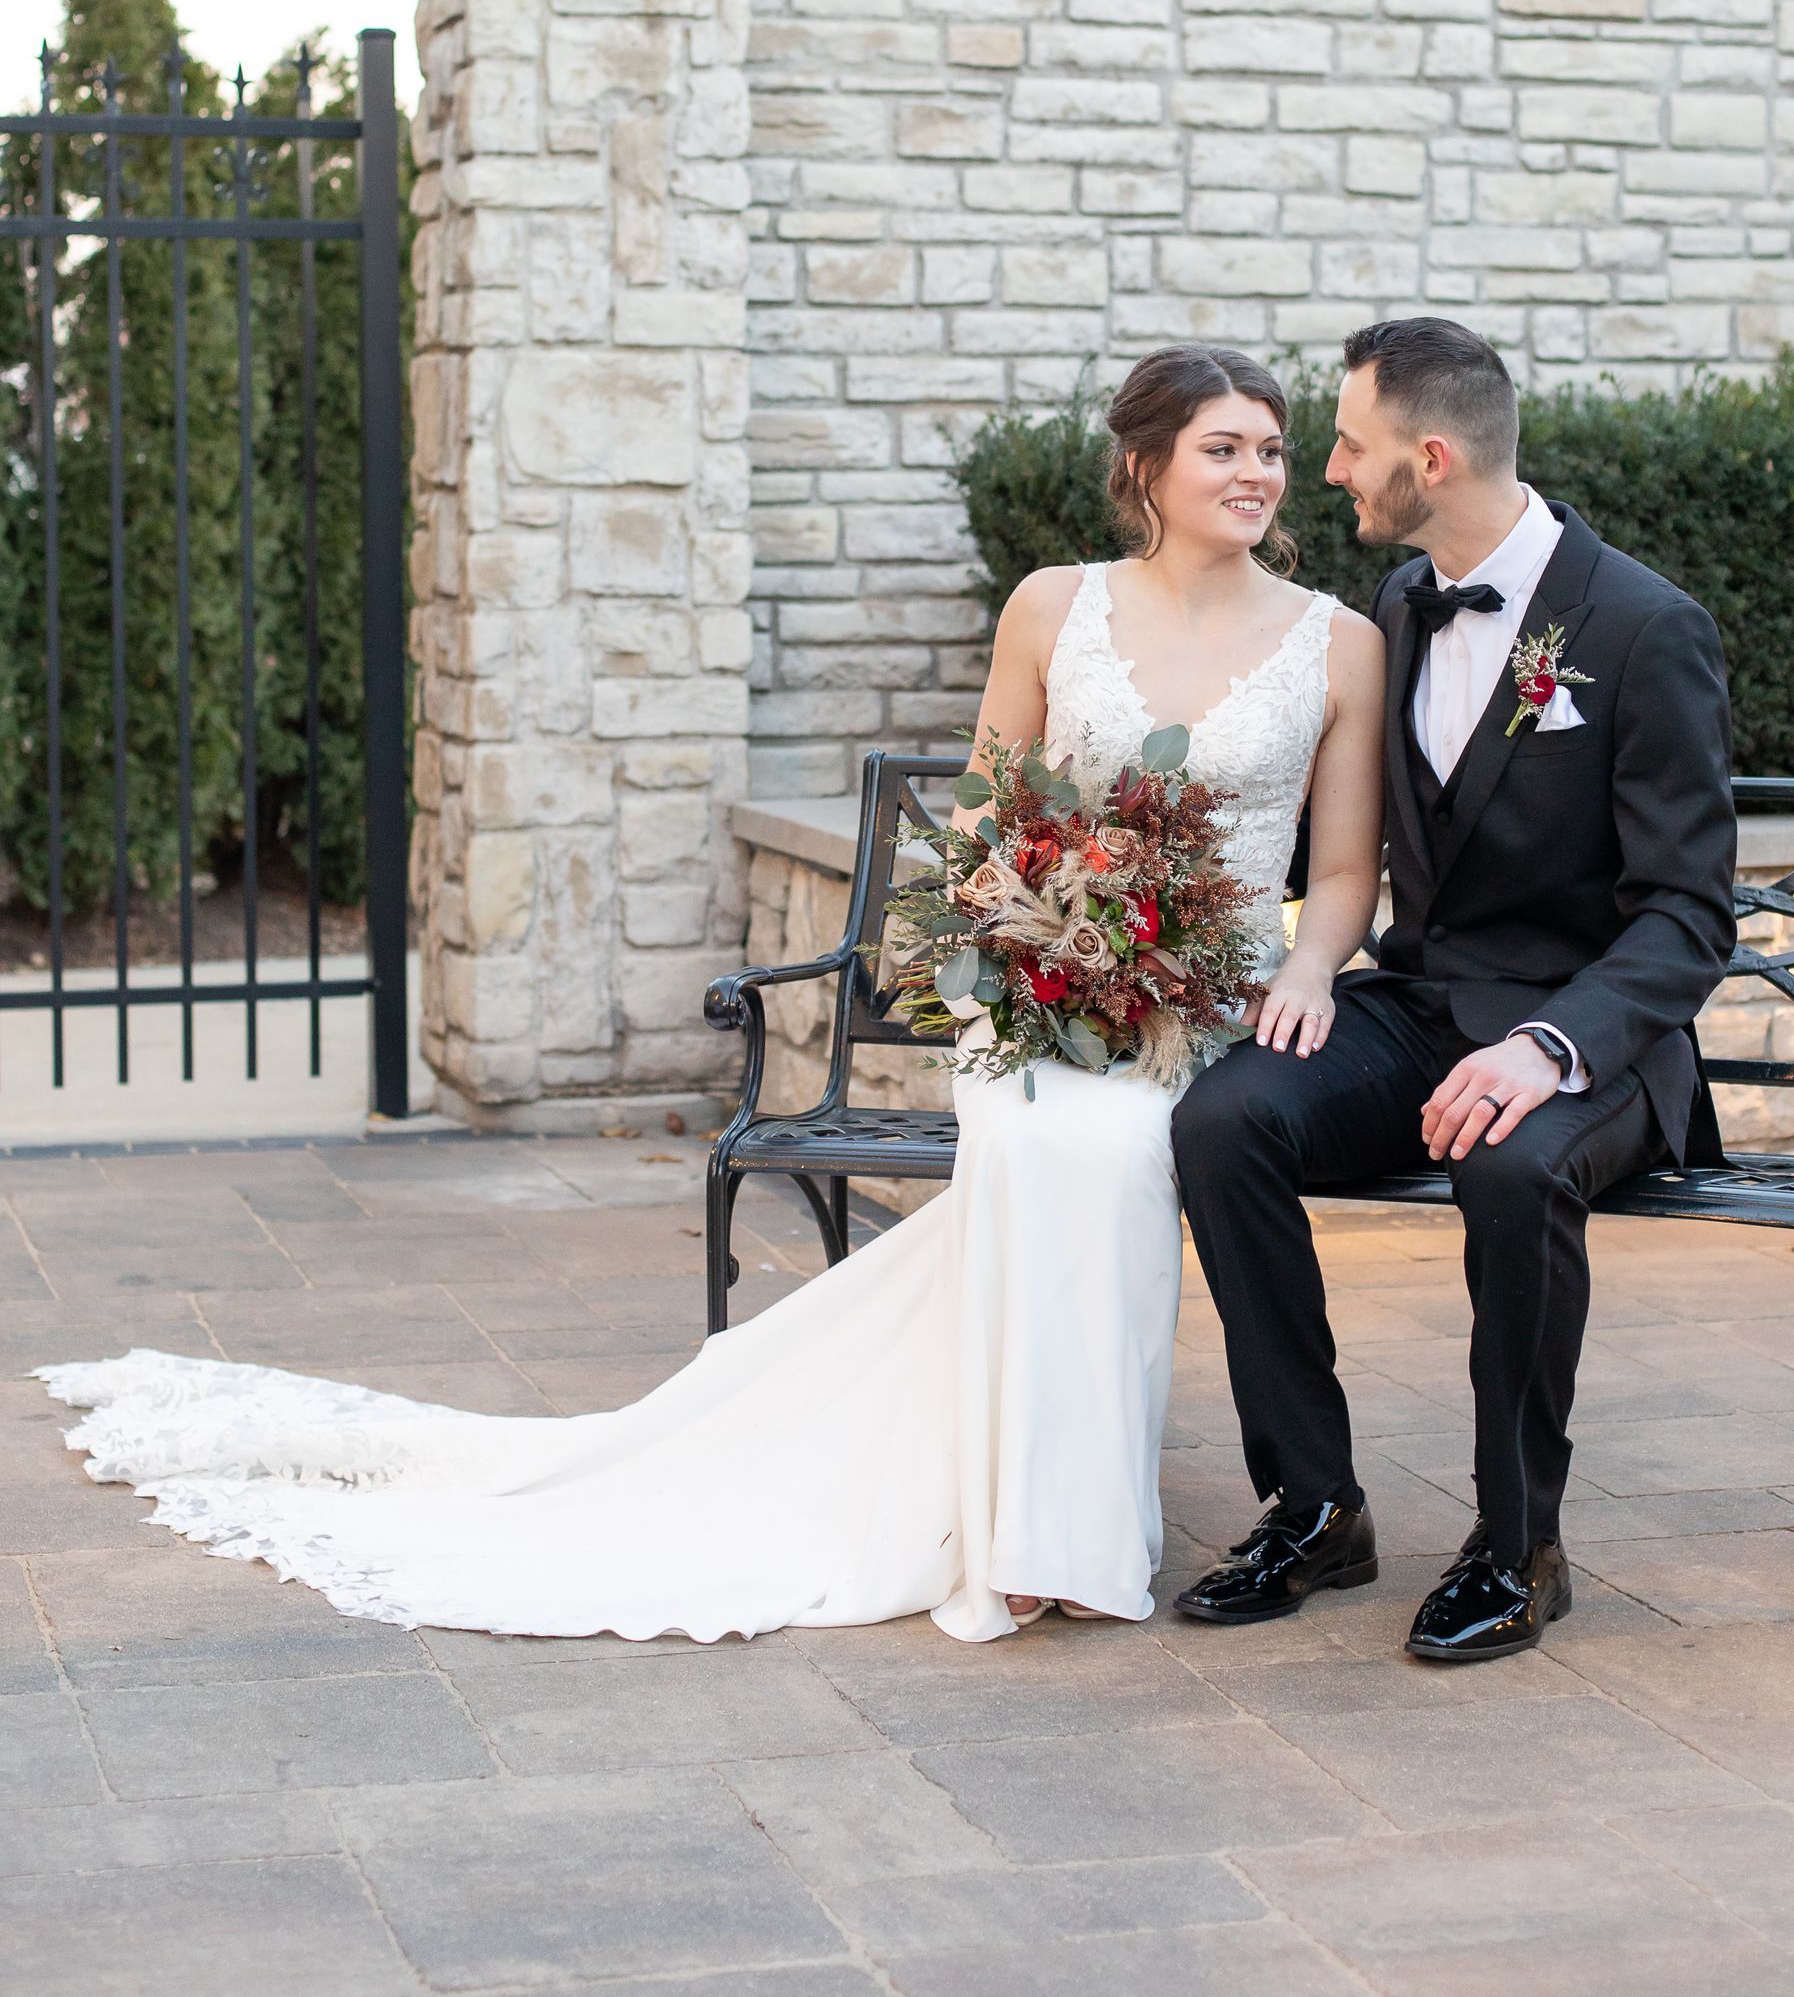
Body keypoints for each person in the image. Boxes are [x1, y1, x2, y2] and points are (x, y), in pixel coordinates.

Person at [36, 343, 1385, 1650]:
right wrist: (1030, 937)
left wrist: (1313, 966)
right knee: (1039, 1139)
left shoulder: (1337, 644)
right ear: (1147, 465)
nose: (1258, 471)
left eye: (1272, 449)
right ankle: (1041, 1540)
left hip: (1208, 997)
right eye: (1225, 448)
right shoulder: (1054, 605)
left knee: (1118, 1149)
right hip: (1044, 985)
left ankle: (1062, 1520)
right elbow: (989, 811)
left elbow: (1336, 868)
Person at [1173, 316, 1738, 1664]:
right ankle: (1314, 1508)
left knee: (1509, 1167)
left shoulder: (1646, 628)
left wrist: (1553, 1046)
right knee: (1222, 1120)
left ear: (1430, 457)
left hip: (1589, 1039)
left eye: (1351, 446)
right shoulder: (1396, 607)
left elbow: (1687, 913)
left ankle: (1516, 1545)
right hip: (1421, 1008)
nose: (1331, 474)